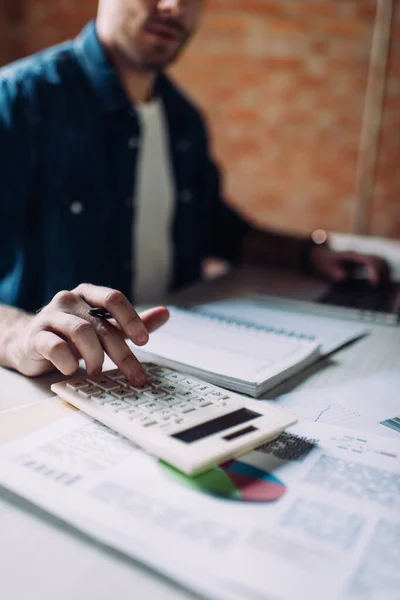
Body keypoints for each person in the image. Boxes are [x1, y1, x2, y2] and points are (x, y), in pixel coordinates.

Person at [0, 0, 389, 386]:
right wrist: (20, 336)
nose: (175, 7)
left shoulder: (183, 117)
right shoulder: (18, 100)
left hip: (171, 371)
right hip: (59, 380)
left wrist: (308, 253)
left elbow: (213, 226)